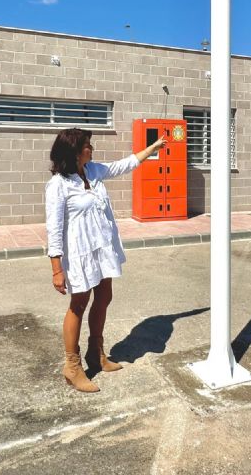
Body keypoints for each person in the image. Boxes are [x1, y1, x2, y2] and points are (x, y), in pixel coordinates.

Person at [45, 127, 167, 393]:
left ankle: (96, 353)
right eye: (87, 145)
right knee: (78, 303)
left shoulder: (94, 171)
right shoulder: (58, 184)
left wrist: (153, 149)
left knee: (104, 297)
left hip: (103, 248)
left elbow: (124, 165)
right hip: (79, 253)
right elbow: (53, 229)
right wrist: (56, 268)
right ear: (74, 151)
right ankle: (72, 365)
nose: (92, 149)